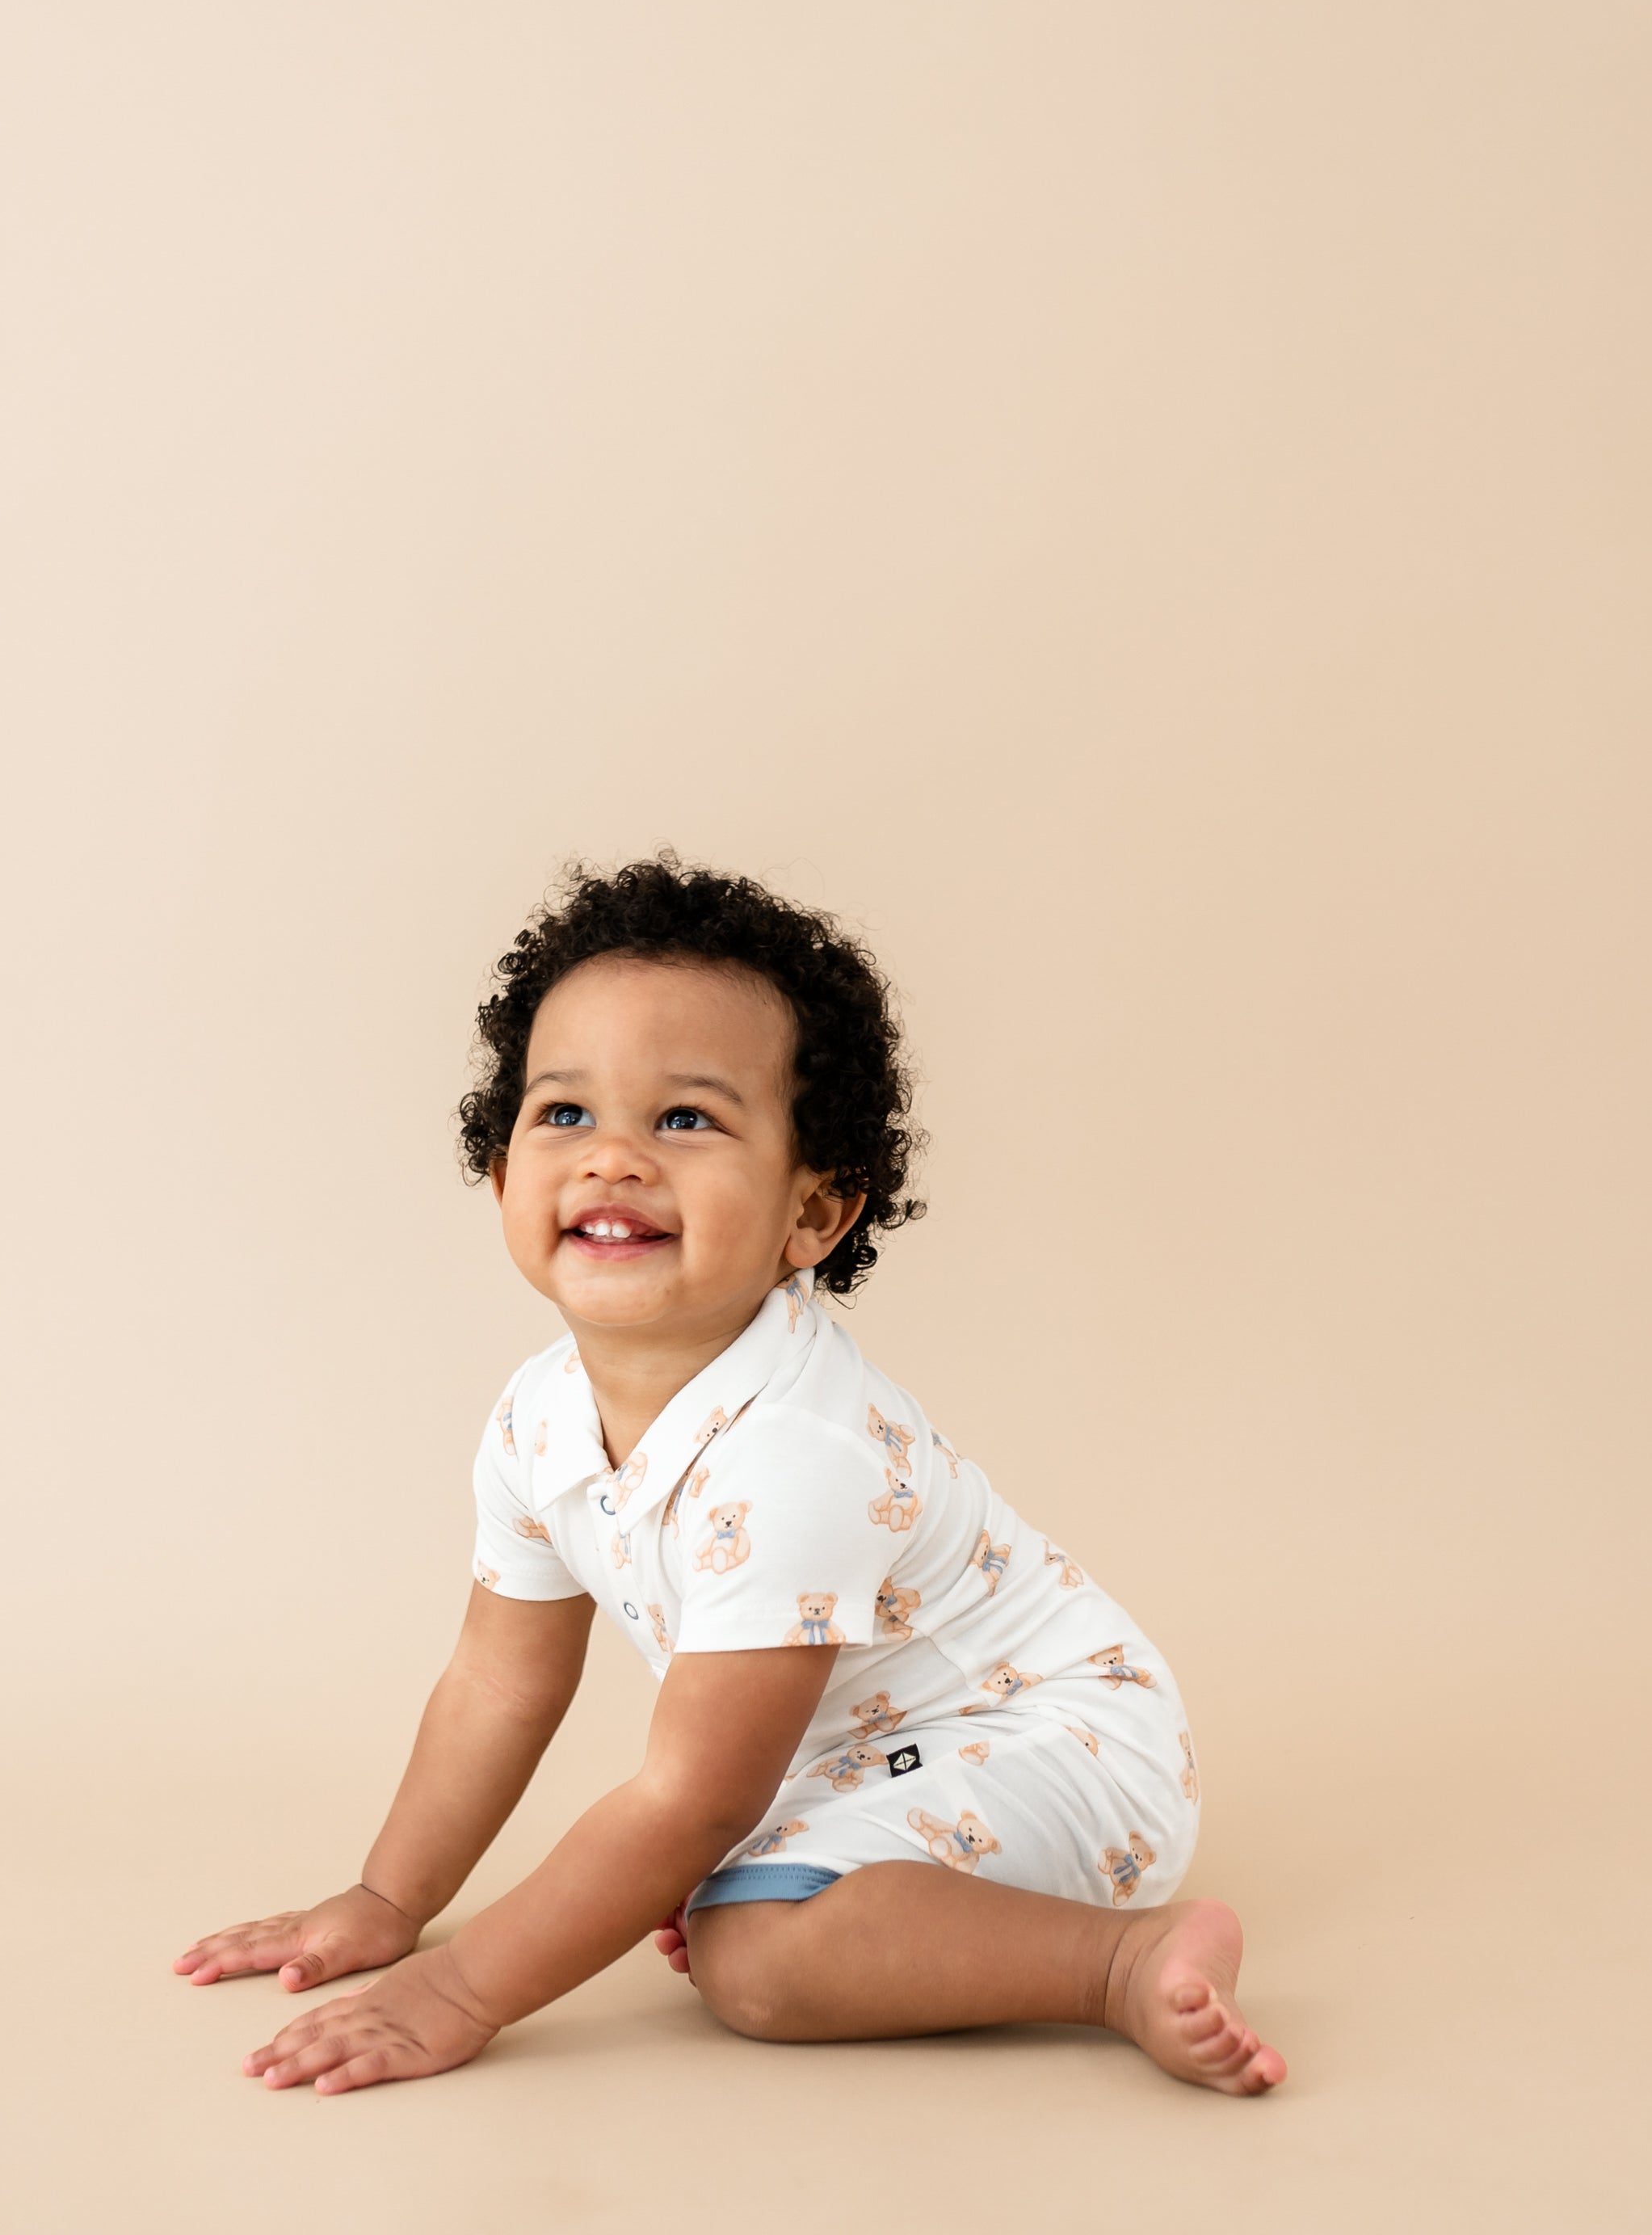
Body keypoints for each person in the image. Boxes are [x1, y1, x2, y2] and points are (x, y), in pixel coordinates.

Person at [172, 857, 1284, 2097]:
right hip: (859, 1757)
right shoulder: (540, 1416)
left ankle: (1118, 1965)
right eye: (565, 1114)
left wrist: (457, 1987)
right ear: (499, 1173)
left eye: (687, 1119)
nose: (613, 1160)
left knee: (752, 1955)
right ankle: (845, 1877)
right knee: (697, 1892)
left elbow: (697, 1797)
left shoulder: (799, 1454)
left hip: (1057, 1741)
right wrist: (392, 1899)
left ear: (813, 1214)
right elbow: (496, 1682)